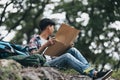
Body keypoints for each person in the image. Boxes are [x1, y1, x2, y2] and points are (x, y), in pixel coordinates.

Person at [28, 18, 113, 80]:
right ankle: (94, 74)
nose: (53, 29)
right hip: (44, 65)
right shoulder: (35, 39)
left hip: (55, 63)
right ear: (48, 27)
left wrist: (67, 46)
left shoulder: (51, 40)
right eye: (53, 27)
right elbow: (32, 56)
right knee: (67, 56)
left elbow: (55, 55)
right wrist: (45, 45)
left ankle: (92, 72)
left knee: (73, 50)